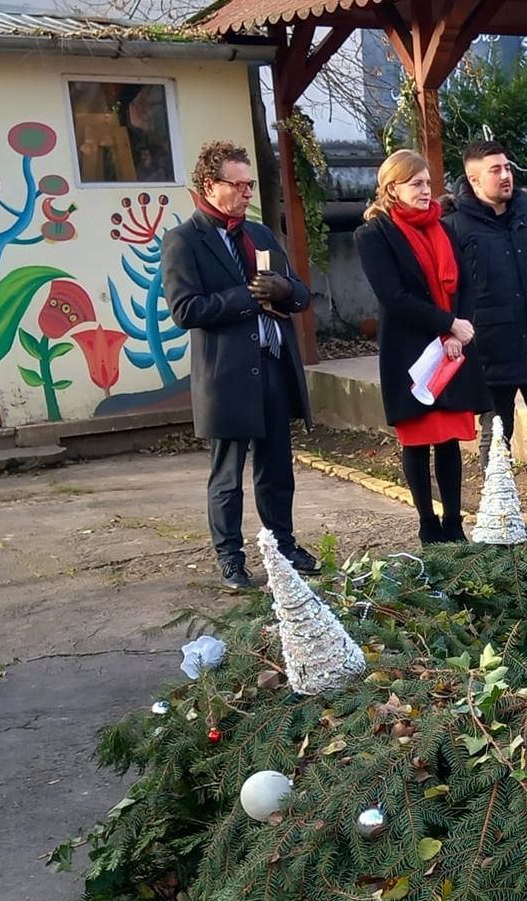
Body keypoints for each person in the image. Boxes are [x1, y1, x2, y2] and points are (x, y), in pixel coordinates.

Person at [165, 139, 318, 591]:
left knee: (277, 469)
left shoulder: (262, 235)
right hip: (226, 376)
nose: (249, 192)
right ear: (211, 186)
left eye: (251, 184)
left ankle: (283, 547)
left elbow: (301, 294)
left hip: (272, 366)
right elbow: (185, 310)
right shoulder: (183, 240)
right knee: (227, 475)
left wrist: (284, 292)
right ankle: (231, 560)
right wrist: (247, 297)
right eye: (240, 184)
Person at [355, 149, 481, 544]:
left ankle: (454, 523)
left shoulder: (446, 229)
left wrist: (458, 331)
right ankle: (428, 523)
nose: (426, 190)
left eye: (428, 183)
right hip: (410, 351)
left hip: (452, 349)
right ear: (392, 188)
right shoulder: (373, 234)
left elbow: (465, 284)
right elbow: (393, 296)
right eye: (416, 184)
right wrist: (448, 324)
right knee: (418, 438)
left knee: (448, 441)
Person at [448, 139, 527, 518]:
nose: (506, 175)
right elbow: (457, 290)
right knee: (496, 440)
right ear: (473, 179)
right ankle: (498, 518)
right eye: (495, 170)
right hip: (492, 350)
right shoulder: (457, 226)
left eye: (507, 167)